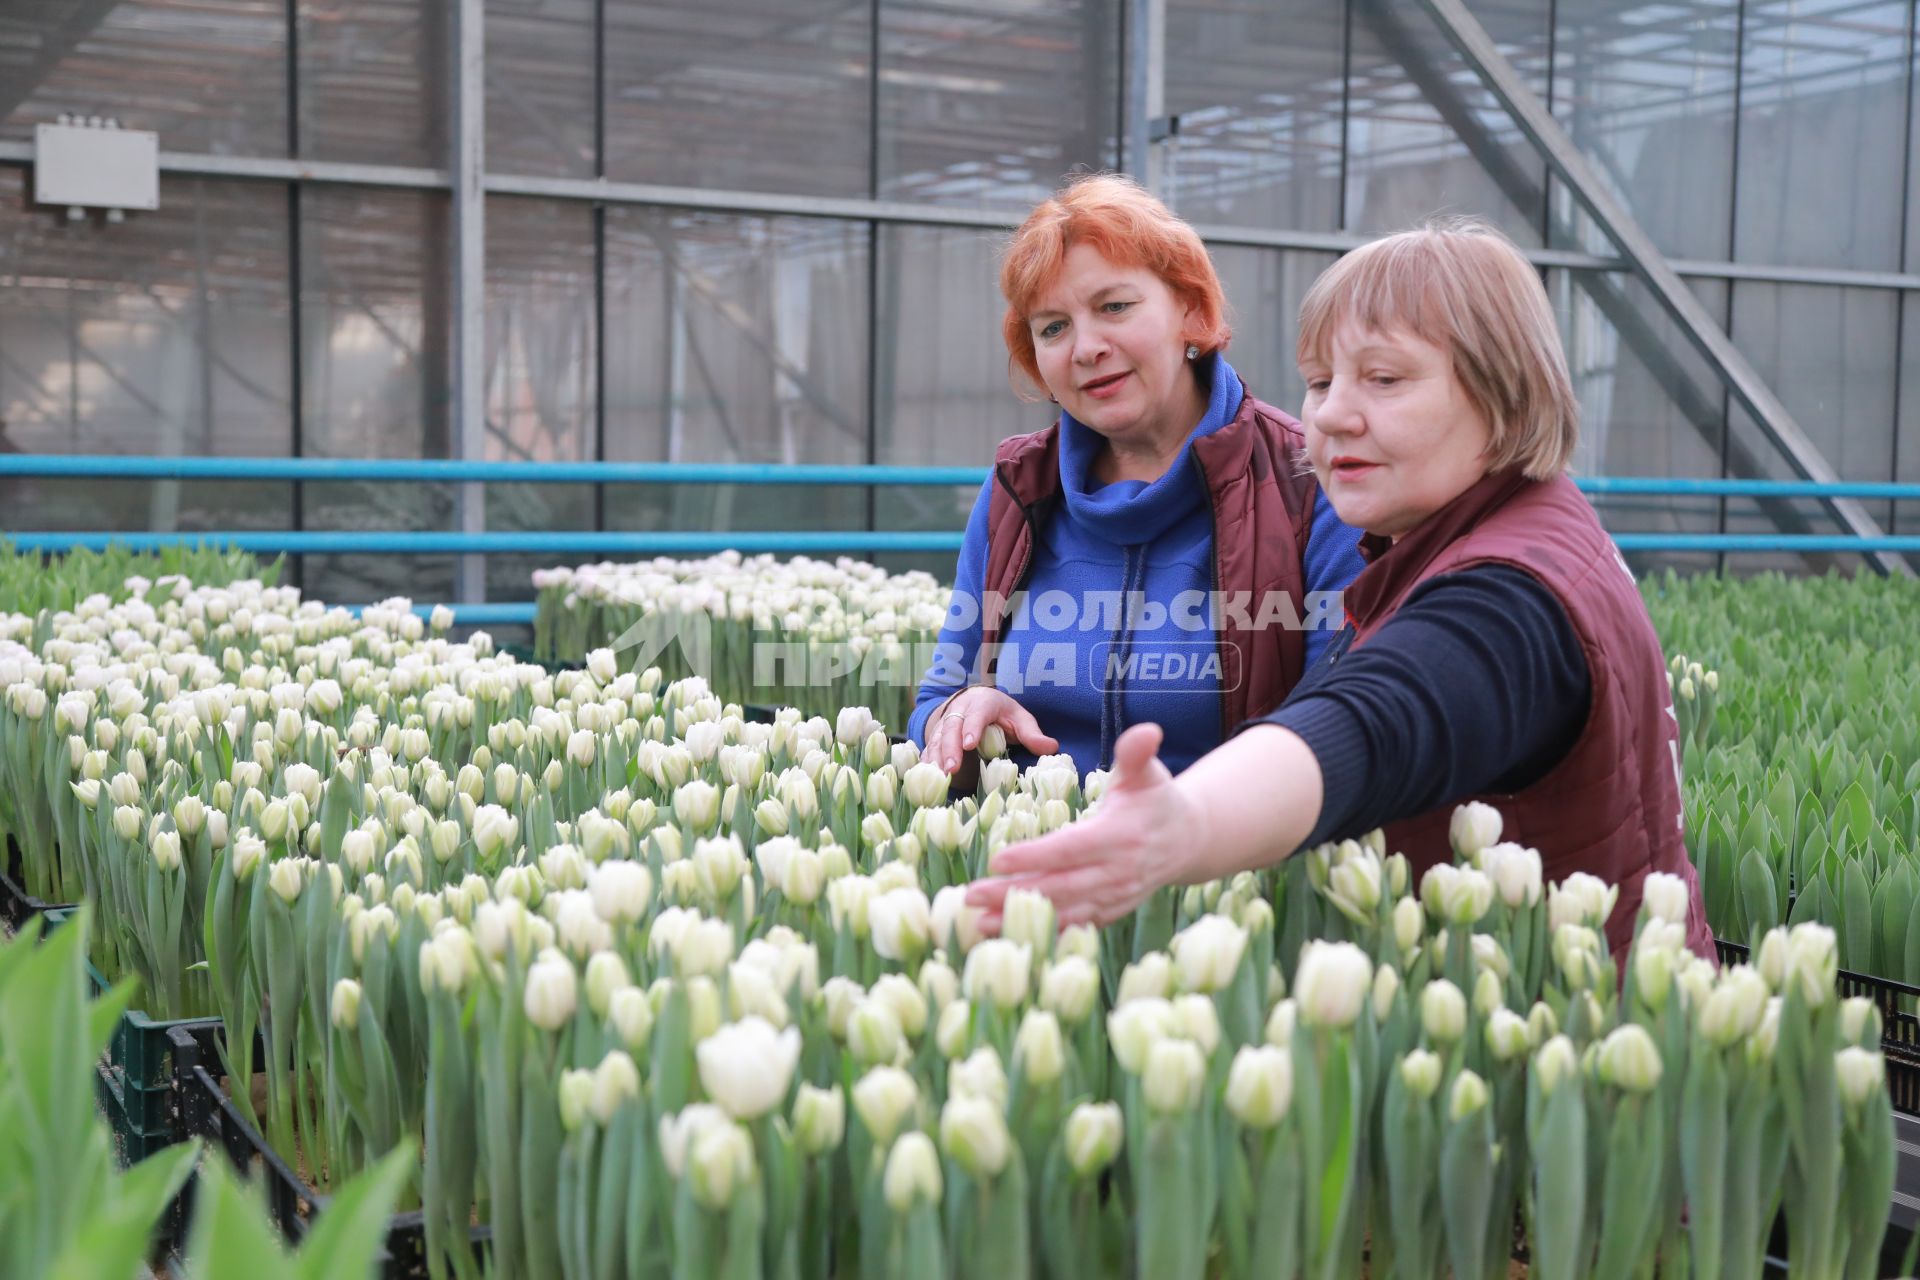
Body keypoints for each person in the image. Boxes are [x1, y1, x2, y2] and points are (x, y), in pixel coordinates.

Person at [966, 217, 1714, 962]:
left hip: (1572, 1043)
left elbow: (1375, 718)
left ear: (1506, 395)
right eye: (1321, 381)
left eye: (1384, 379)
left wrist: (1185, 823)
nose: (1329, 415)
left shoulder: (1514, 591)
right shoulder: (1459, 534)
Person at [907, 174, 1366, 781]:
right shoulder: (1018, 490)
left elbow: (1339, 728)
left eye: (1114, 306)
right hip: (1029, 855)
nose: (1085, 347)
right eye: (1052, 327)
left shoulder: (1307, 484)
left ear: (1191, 311)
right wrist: (959, 718)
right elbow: (935, 700)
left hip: (1220, 858)